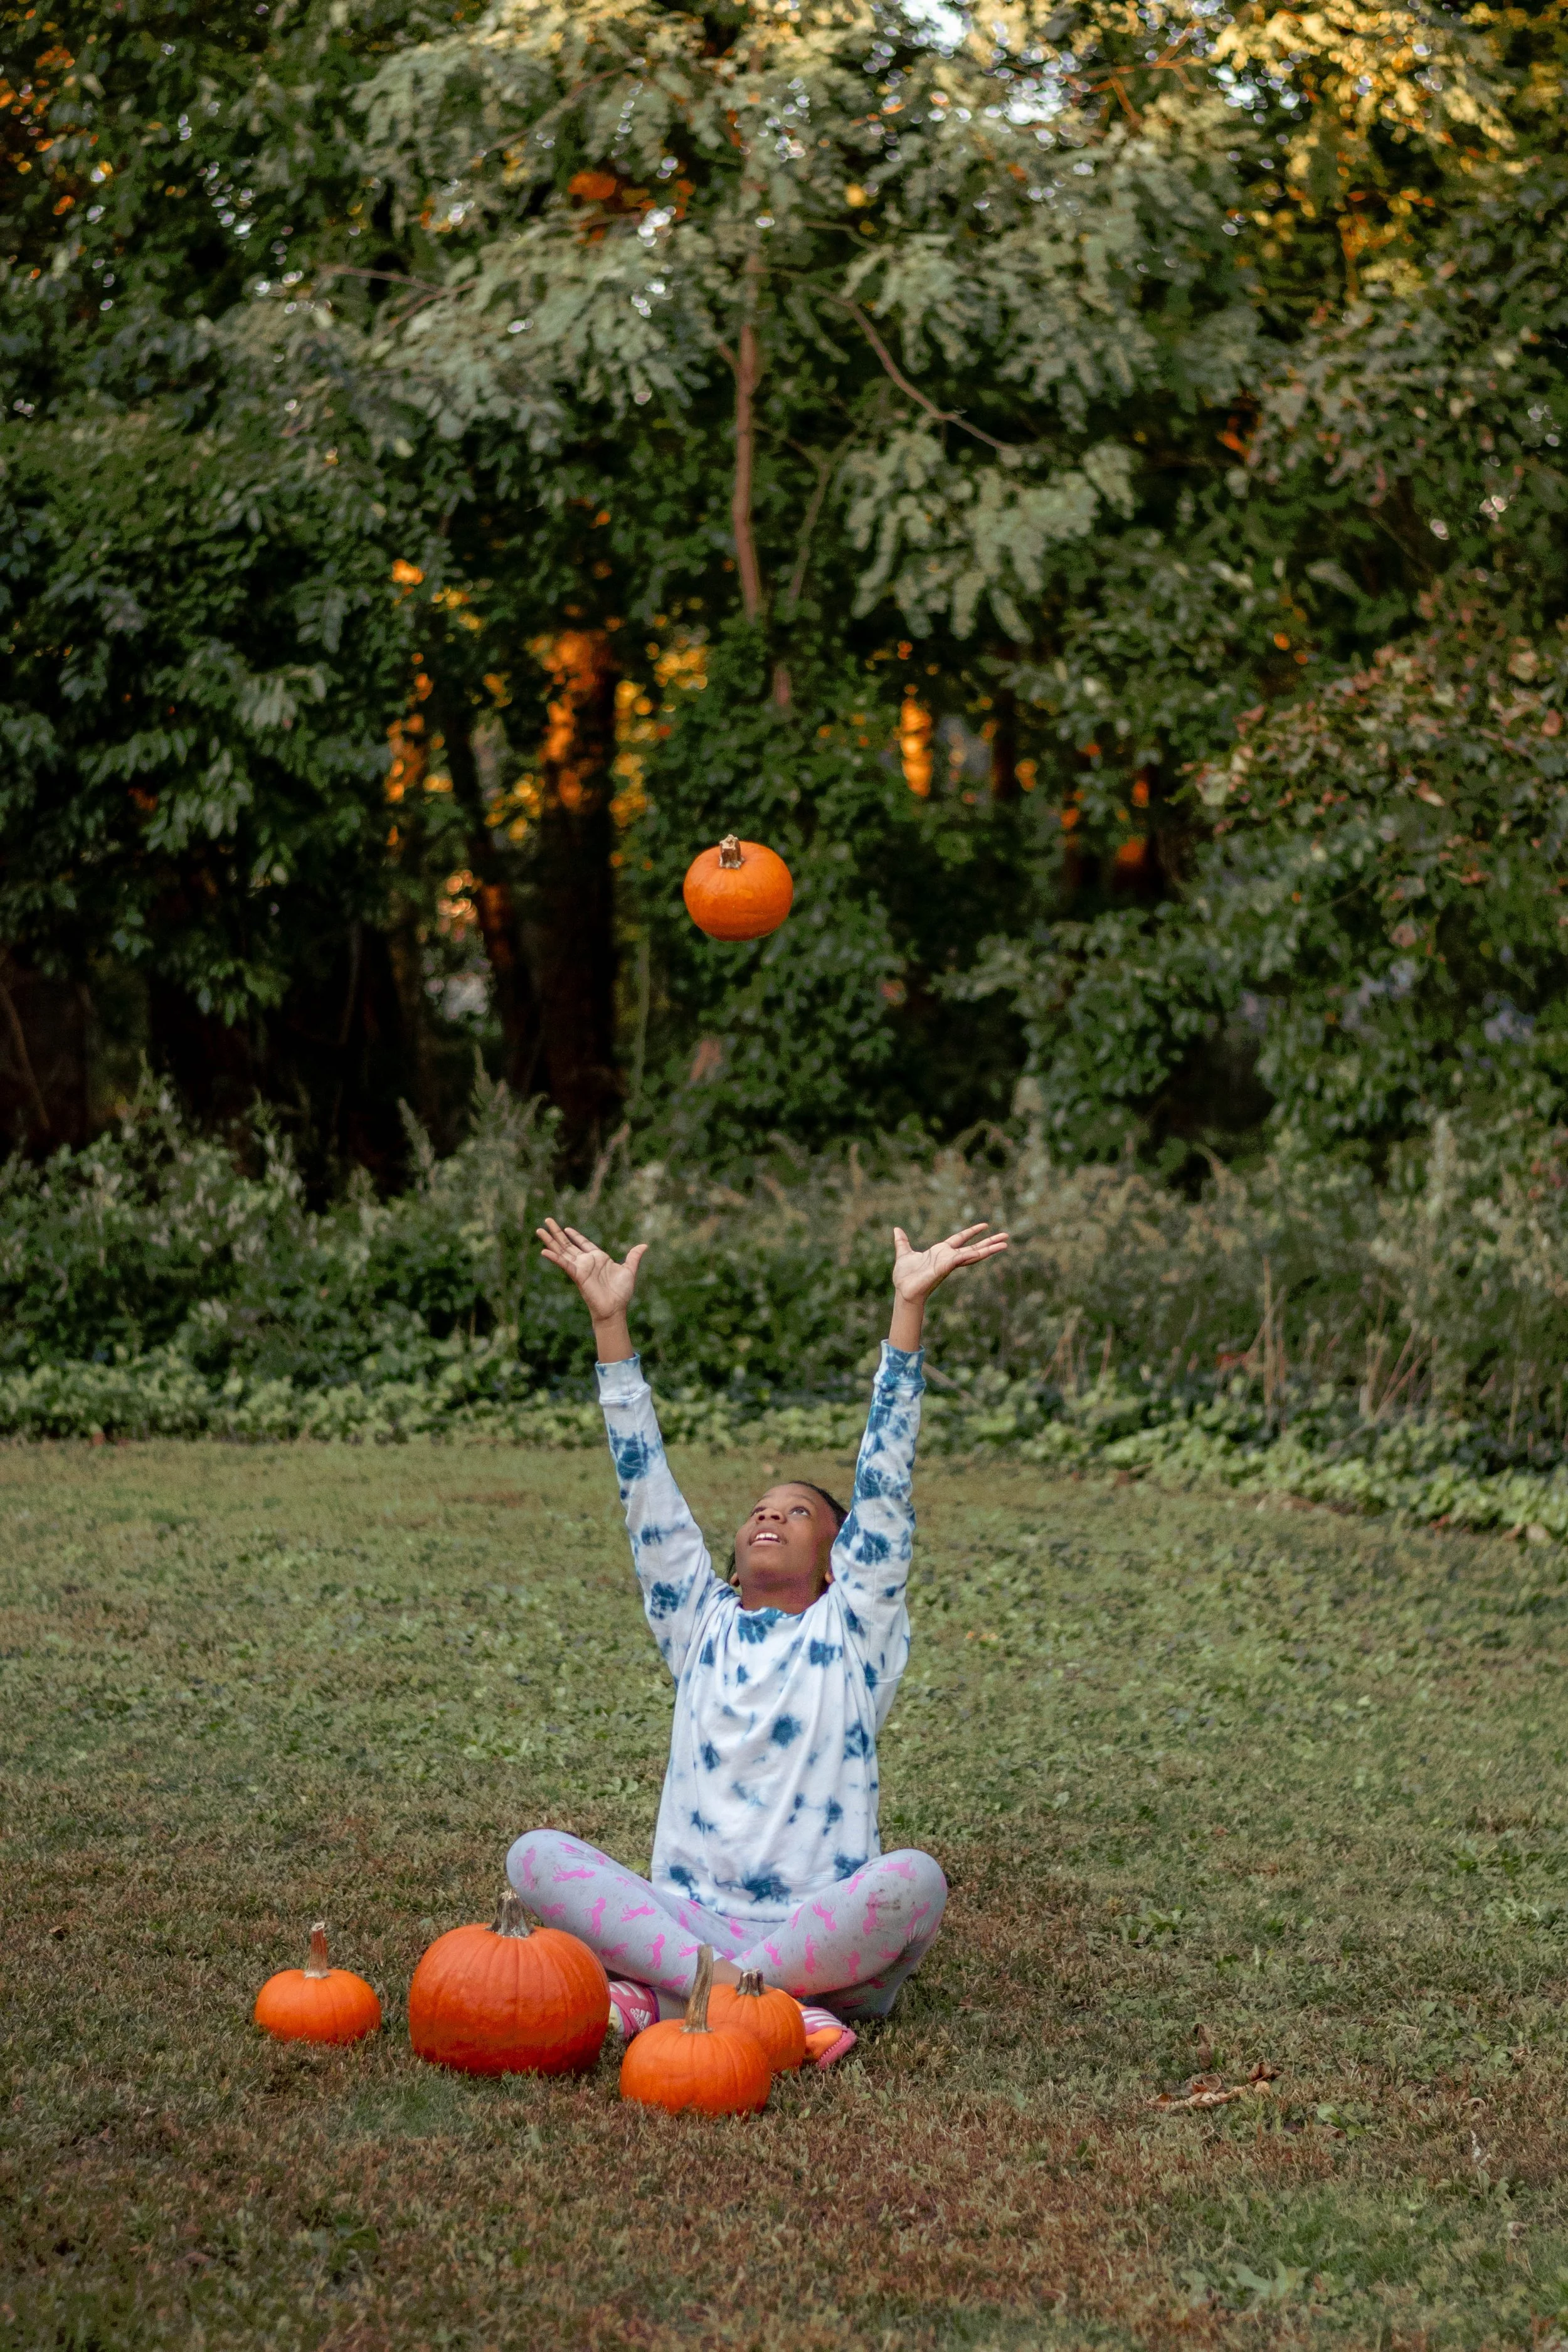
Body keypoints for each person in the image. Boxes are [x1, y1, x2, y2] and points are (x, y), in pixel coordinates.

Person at [508, 1211, 1009, 2068]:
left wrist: (907, 1317)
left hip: (819, 1934)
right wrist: (608, 1325)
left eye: (800, 1510)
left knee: (916, 1880)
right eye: (760, 1509)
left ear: (839, 1555)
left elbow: (887, 1478)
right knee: (533, 1858)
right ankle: (752, 2000)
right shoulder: (697, 1621)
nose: (772, 1513)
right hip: (690, 1919)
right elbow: (646, 1488)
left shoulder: (854, 1632)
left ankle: (674, 1994)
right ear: (733, 1557)